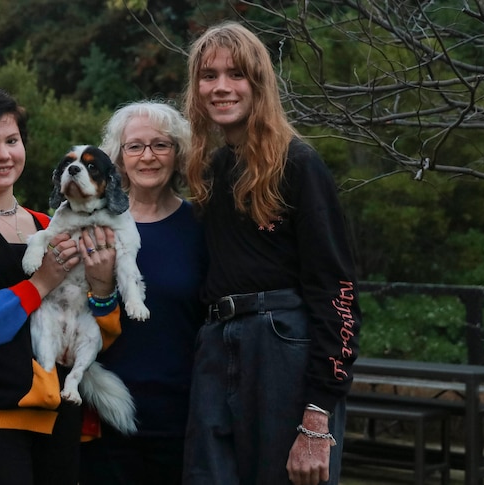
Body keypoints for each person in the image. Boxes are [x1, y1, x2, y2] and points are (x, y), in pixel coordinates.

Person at [180, 21, 362, 485]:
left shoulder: (297, 164)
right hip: (215, 346)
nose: (221, 87)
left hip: (283, 349)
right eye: (209, 75)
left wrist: (318, 417)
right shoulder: (213, 170)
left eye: (236, 74)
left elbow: (337, 292)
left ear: (258, 84)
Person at [0, 87, 121, 485]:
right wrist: (40, 282)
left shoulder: (47, 226)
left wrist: (103, 291)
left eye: (12, 141)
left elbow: (90, 332)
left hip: (55, 419)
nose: (3, 154)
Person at [78, 100, 206, 485]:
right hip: (105, 418)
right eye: (135, 146)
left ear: (178, 154)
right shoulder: (91, 224)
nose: (147, 156)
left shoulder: (203, 225)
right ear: (118, 158)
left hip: (184, 419)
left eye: (161, 145)